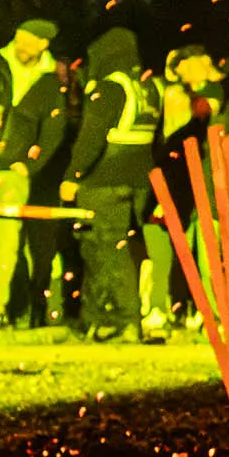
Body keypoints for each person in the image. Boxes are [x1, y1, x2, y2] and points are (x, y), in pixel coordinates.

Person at [0, 17, 66, 329]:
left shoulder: (49, 83)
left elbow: (54, 130)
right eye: (19, 38)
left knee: (6, 244)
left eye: (29, 41)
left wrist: (31, 165)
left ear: (43, 45)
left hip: (14, 175)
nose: (22, 45)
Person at [62, 26, 169, 342]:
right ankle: (96, 318)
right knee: (106, 248)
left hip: (103, 181)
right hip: (138, 181)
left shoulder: (110, 88)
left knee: (106, 250)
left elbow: (90, 138)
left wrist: (72, 175)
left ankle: (124, 319)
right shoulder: (149, 88)